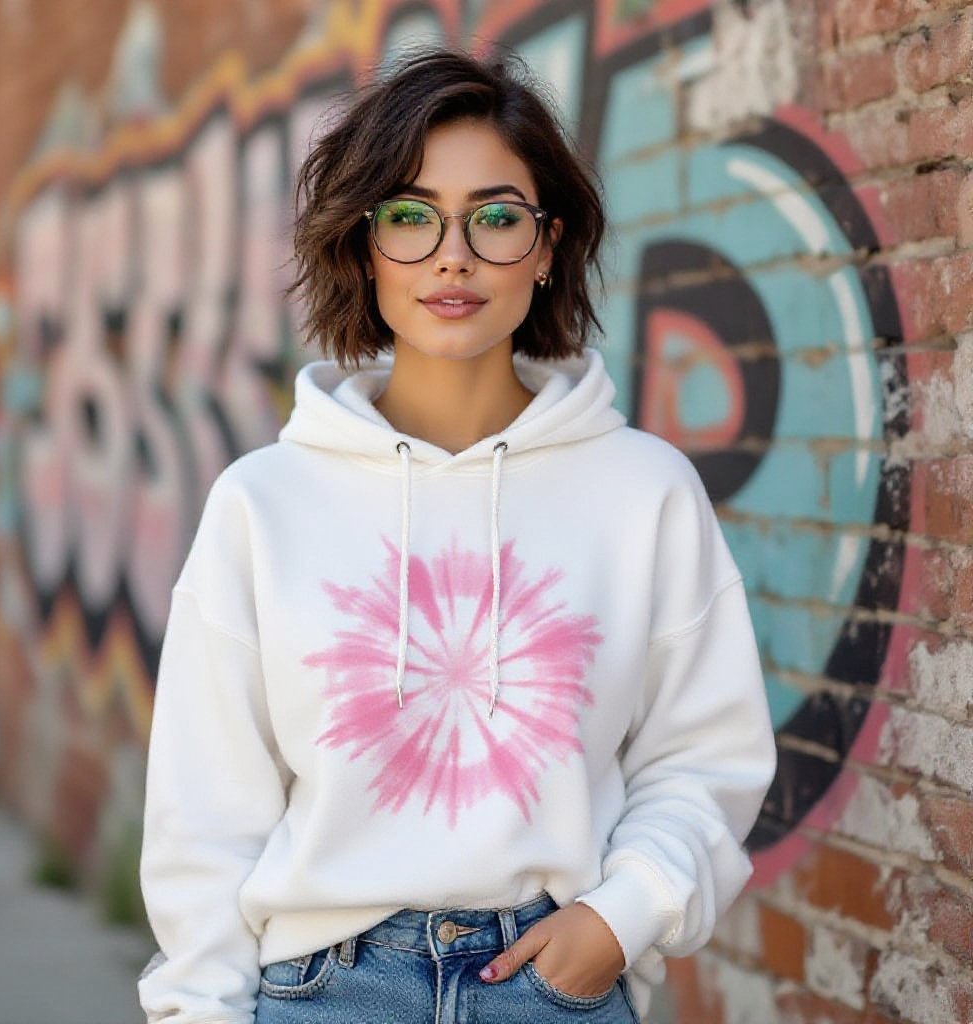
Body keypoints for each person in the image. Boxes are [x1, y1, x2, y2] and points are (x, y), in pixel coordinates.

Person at [136, 43, 777, 1024]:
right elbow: (205, 812)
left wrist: (618, 919)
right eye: (409, 216)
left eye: (495, 216)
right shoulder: (262, 503)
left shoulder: (643, 491)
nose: (453, 254)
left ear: (548, 243)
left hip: (552, 983)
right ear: (361, 245)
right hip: (324, 989)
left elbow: (705, 757)